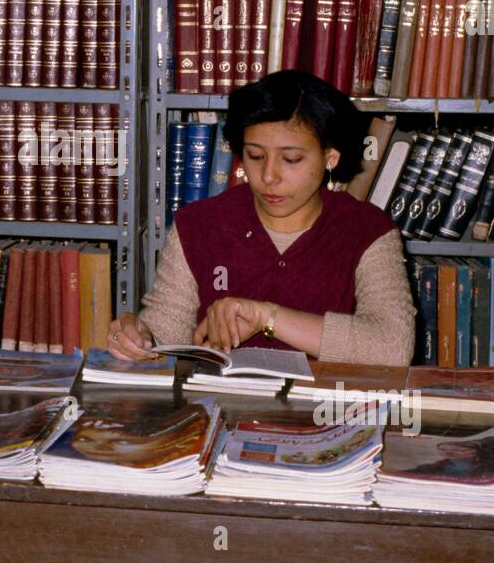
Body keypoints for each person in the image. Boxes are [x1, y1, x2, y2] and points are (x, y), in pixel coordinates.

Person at [107, 70, 415, 365]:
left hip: (328, 411)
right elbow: (166, 329)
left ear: (330, 157)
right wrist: (141, 340)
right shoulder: (199, 225)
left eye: (291, 159)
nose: (269, 176)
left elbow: (392, 347)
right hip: (221, 407)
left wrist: (267, 317)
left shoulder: (368, 231)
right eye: (254, 155)